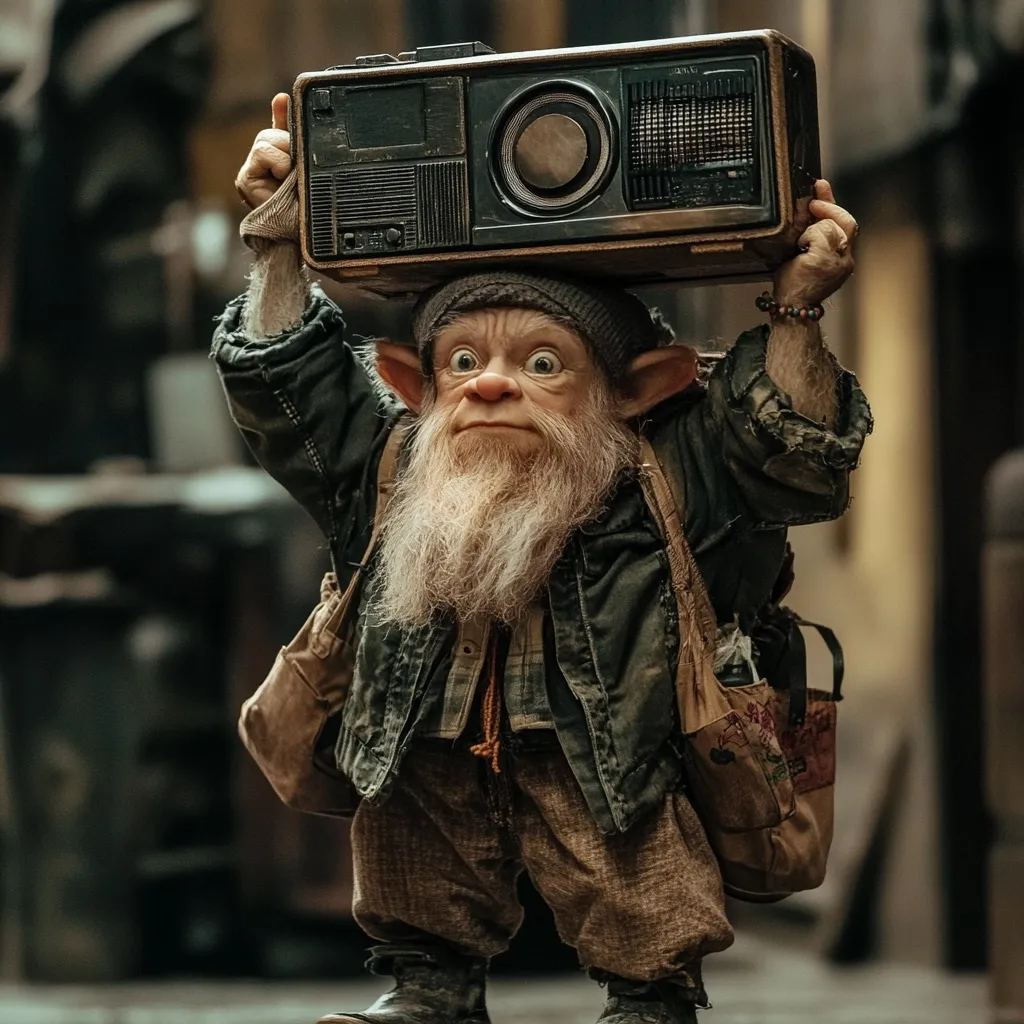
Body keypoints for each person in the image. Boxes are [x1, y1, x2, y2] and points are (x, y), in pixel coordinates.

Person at [213, 93, 872, 1024]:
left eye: (543, 365)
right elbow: (290, 391)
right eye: (462, 361)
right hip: (427, 740)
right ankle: (430, 992)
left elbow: (793, 452)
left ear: (634, 391)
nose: (490, 382)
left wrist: (796, 308)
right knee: (413, 832)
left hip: (620, 752)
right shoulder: (393, 460)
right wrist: (277, 249)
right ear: (417, 385)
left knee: (634, 855)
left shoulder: (673, 467)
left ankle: (653, 998)